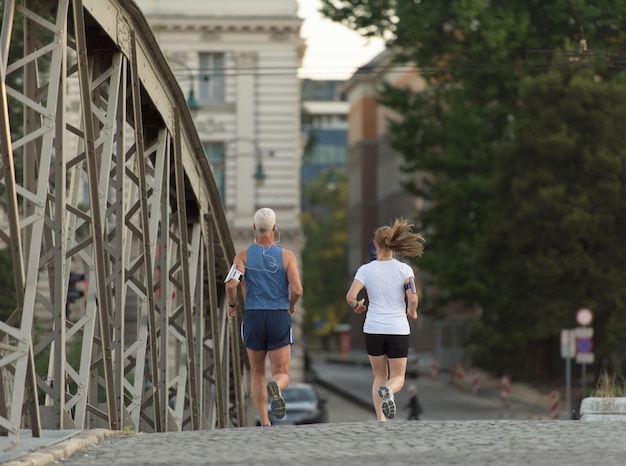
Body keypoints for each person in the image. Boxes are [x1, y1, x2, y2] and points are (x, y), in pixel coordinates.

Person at [224, 207, 303, 426]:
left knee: (257, 372)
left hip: (253, 318)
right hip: (279, 315)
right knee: (281, 371)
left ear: (254, 228)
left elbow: (231, 285)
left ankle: (265, 422)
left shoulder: (243, 256)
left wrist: (233, 304)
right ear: (275, 228)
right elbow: (297, 290)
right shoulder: (287, 256)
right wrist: (292, 305)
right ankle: (276, 385)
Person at [346, 218, 424, 421]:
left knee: (379, 376)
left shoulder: (365, 270)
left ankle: (381, 420)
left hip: (373, 328)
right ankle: (389, 390)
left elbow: (350, 296)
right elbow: (413, 296)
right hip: (397, 328)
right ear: (394, 243)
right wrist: (412, 311)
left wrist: (357, 305)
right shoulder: (404, 270)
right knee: (397, 377)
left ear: (375, 244)